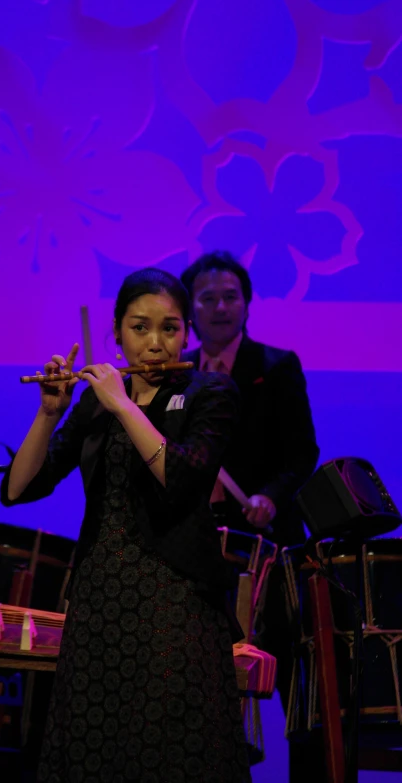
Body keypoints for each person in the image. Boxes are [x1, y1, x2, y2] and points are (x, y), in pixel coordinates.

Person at [1, 268, 252, 783]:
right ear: (116, 331)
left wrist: (122, 403)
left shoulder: (212, 392)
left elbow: (180, 478)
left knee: (170, 753)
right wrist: (49, 414)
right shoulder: (95, 401)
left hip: (175, 603)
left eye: (171, 328)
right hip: (99, 600)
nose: (156, 344)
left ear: (188, 333)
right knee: (95, 751)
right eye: (141, 328)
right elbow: (19, 489)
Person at [180, 252, 321, 781]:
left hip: (268, 549)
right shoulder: (180, 372)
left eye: (230, 296)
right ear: (190, 308)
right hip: (199, 549)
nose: (220, 306)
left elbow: (302, 453)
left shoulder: (275, 367)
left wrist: (270, 497)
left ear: (247, 303)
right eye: (208, 297)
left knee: (290, 675)